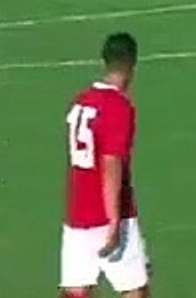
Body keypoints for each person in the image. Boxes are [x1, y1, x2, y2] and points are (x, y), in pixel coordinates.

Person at [60, 33, 150, 298]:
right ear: (133, 63)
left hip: (78, 213)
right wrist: (113, 224)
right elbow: (111, 164)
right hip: (110, 215)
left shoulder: (81, 101)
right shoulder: (118, 107)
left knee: (75, 290)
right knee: (134, 291)